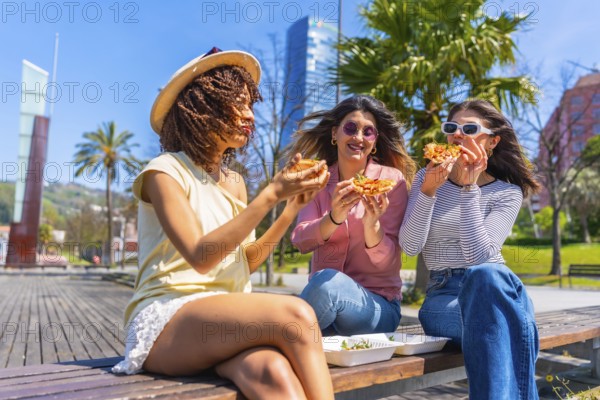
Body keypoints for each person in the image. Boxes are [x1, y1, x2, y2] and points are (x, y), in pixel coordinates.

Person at [112, 48, 335, 400]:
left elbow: (246, 261)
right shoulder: (164, 171)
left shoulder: (235, 182)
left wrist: (290, 208)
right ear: (204, 106)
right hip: (169, 321)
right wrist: (271, 194)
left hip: (224, 320)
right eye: (239, 103)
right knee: (295, 315)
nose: (249, 115)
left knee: (273, 374)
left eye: (251, 105)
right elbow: (201, 256)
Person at [399, 99, 540, 399]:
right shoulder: (427, 177)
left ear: (492, 141)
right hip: (444, 294)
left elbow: (480, 258)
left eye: (470, 128)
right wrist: (428, 193)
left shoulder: (507, 192)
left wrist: (469, 189)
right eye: (451, 128)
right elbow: (410, 246)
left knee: (487, 279)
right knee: (507, 328)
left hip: (497, 289)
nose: (457, 134)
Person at [288, 95, 416, 336]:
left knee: (328, 285)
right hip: (325, 309)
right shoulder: (318, 180)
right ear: (335, 134)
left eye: (368, 132)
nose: (359, 137)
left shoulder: (391, 182)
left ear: (375, 142)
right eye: (351, 128)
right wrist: (334, 217)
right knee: (317, 294)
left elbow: (390, 262)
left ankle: (274, 344)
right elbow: (300, 240)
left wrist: (372, 224)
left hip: (377, 308)